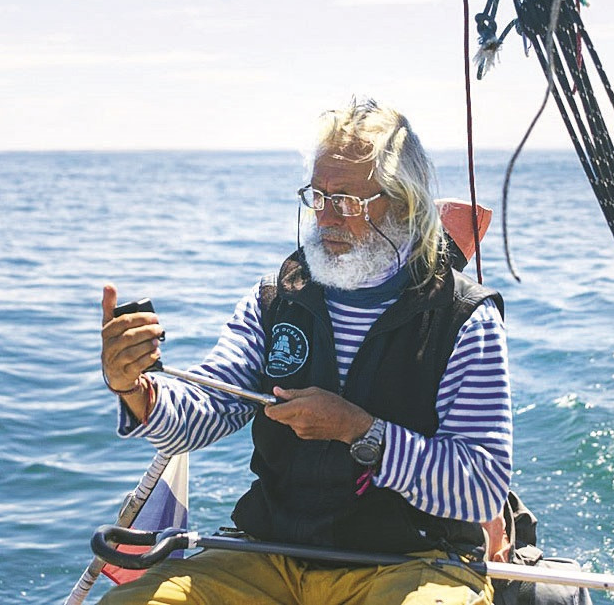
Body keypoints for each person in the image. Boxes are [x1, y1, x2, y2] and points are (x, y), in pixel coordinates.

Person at [98, 97, 513, 605]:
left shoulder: (463, 318)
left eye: (347, 201)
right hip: (270, 553)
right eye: (318, 197)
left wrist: (361, 431)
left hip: (411, 562)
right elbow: (210, 405)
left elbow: (481, 488)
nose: (326, 217)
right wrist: (135, 389)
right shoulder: (276, 300)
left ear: (404, 205)